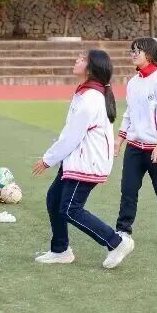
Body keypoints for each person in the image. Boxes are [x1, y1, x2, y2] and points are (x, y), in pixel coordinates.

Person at [33, 50, 135, 269]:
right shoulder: (85, 93)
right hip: (76, 159)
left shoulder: (90, 99)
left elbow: (72, 136)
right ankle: (60, 250)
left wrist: (48, 159)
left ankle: (116, 242)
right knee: (54, 199)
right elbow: (71, 133)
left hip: (87, 162)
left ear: (90, 68)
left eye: (82, 59)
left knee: (70, 208)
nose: (77, 60)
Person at [115, 37, 157, 246]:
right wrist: (119, 140)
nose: (133, 54)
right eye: (132, 50)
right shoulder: (133, 82)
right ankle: (123, 230)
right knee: (128, 190)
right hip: (135, 147)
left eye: (138, 51)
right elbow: (129, 113)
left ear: (150, 54)